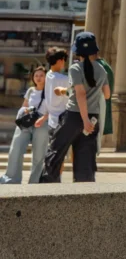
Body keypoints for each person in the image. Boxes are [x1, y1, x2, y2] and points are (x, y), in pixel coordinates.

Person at [40, 32, 110, 183]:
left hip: (74, 116)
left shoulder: (75, 68)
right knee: (85, 159)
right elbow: (107, 95)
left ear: (77, 51)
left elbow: (80, 94)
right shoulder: (102, 70)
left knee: (55, 152)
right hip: (93, 118)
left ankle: (45, 190)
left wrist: (84, 119)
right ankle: (83, 196)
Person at [0, 65, 49, 184]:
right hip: (26, 122)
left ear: (47, 77)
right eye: (36, 75)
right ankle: (11, 178)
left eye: (41, 75)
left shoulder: (50, 91)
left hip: (42, 123)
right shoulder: (30, 90)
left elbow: (53, 109)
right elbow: (24, 105)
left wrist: (43, 119)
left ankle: (35, 181)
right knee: (16, 148)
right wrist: (23, 113)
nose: (38, 78)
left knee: (39, 154)